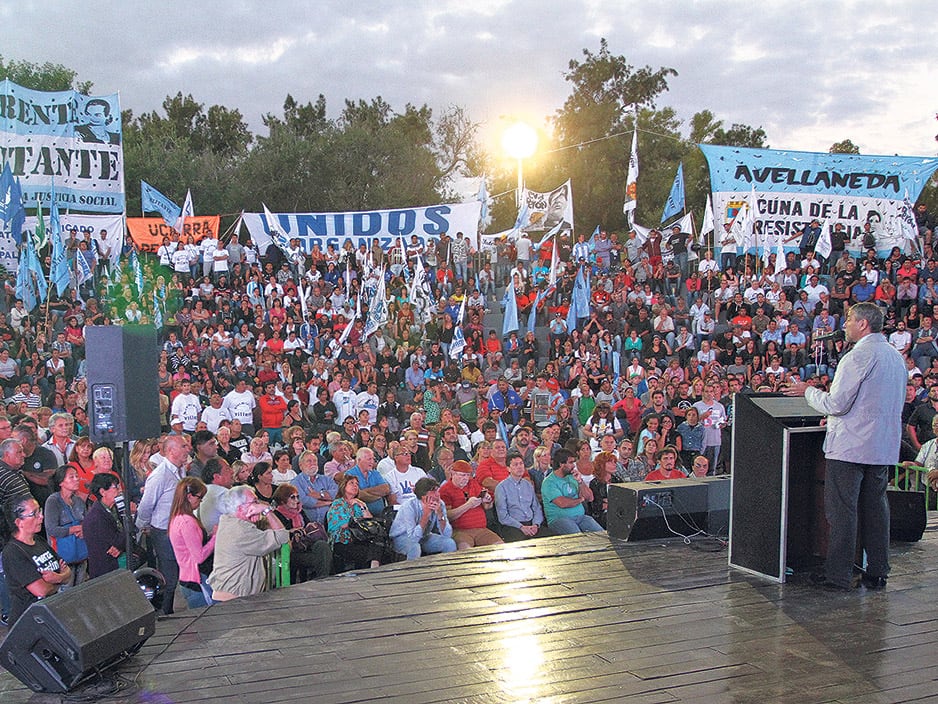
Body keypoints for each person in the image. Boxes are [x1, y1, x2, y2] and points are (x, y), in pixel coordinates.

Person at [784, 302, 906, 591]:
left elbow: (837, 404)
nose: (846, 324)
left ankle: (837, 574)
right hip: (880, 445)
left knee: (842, 512)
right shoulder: (895, 356)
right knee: (876, 509)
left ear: (863, 324)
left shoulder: (857, 356)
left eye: (850, 319)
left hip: (851, 446)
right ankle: (877, 571)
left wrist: (807, 391)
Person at [136, 433, 190, 614]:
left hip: (179, 530)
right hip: (164, 532)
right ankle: (163, 615)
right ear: (171, 451)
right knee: (169, 577)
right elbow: (146, 505)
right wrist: (142, 527)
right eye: (183, 446)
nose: (188, 449)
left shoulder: (181, 470)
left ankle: (169, 611)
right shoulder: (160, 475)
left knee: (177, 575)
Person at [208, 486, 290, 602]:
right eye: (254, 502)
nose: (258, 505)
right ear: (240, 508)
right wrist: (267, 510)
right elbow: (282, 536)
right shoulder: (240, 530)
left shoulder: (228, 521)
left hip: (231, 595)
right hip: (234, 600)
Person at [2, 495, 71, 626]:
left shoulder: (39, 540)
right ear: (18, 522)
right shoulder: (13, 552)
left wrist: (57, 577)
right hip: (29, 622)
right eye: (34, 513)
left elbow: (67, 571)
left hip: (50, 614)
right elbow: (41, 590)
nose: (41, 516)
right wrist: (60, 580)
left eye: (40, 510)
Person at [168, 477, 217, 608]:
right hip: (196, 580)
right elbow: (199, 557)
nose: (201, 502)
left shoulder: (179, 518)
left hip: (189, 577)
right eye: (200, 497)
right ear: (189, 496)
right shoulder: (186, 521)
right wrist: (215, 538)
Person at [271, 484, 333, 582]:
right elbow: (279, 535)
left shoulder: (299, 512)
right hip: (290, 550)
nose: (297, 500)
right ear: (283, 500)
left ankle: (322, 579)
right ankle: (323, 579)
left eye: (297, 497)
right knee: (322, 559)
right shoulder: (277, 515)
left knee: (322, 546)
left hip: (305, 545)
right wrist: (293, 532)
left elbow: (307, 527)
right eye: (293, 497)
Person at [437, 460, 503, 550]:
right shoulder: (445, 490)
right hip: (460, 531)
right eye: (462, 475)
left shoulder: (473, 483)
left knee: (501, 546)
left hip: (481, 529)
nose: (465, 478)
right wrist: (468, 505)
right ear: (453, 473)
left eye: (468, 475)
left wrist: (487, 500)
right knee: (465, 549)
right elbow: (448, 516)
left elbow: (487, 507)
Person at [389, 477, 456, 560]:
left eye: (437, 491)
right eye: (433, 492)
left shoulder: (440, 503)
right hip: (402, 537)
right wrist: (425, 516)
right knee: (414, 547)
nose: (437, 494)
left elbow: (447, 534)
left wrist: (440, 514)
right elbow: (413, 538)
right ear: (423, 495)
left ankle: (447, 571)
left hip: (424, 536)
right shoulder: (409, 506)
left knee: (449, 543)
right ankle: (413, 572)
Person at [326, 474, 384, 571]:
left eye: (357, 484)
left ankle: (374, 567)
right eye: (351, 483)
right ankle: (374, 569)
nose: (355, 486)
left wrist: (362, 506)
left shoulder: (358, 503)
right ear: (344, 486)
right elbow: (344, 524)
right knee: (369, 551)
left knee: (378, 540)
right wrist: (358, 522)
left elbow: (370, 521)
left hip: (359, 538)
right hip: (343, 541)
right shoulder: (338, 504)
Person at [43, 466, 88, 588]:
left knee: (81, 589)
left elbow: (87, 521)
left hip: (81, 554)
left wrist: (83, 529)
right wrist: (73, 529)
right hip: (63, 557)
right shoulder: (53, 501)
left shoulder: (78, 501)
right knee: (65, 592)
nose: (76, 479)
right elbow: (51, 529)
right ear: (61, 482)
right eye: (71, 477)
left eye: (77, 476)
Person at [540, 448, 603, 535]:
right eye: (570, 462)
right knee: (578, 538)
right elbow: (563, 503)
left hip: (581, 517)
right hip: (559, 520)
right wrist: (580, 500)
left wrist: (580, 481)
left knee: (602, 535)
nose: (574, 465)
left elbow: (590, 498)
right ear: (561, 464)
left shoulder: (572, 477)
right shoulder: (549, 482)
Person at [494, 452, 549, 541]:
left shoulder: (528, 484)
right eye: (515, 465)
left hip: (532, 523)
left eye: (521, 464)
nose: (519, 467)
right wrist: (521, 527)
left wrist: (536, 524)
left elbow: (536, 508)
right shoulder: (501, 487)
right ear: (508, 468)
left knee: (553, 538)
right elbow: (503, 516)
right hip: (513, 526)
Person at [81, 472, 127, 579]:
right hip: (106, 570)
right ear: (103, 492)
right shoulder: (96, 517)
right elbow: (116, 540)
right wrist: (124, 539)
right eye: (115, 487)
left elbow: (131, 529)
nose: (120, 490)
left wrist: (120, 545)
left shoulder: (116, 508)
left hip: (118, 561)